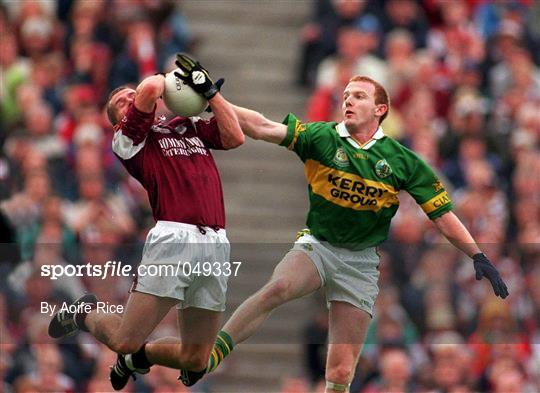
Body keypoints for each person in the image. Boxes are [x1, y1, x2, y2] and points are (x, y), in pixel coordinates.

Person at [186, 75, 509, 392]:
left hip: (361, 263)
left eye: (359, 96)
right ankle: (213, 355)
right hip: (319, 246)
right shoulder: (323, 137)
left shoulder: (402, 161)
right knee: (279, 287)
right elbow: (261, 126)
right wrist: (215, 99)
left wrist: (477, 254)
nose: (349, 101)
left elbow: (442, 215)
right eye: (346, 96)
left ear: (381, 109)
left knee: (341, 370)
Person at [47, 54, 244, 390]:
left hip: (215, 242)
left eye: (128, 94)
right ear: (117, 120)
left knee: (197, 359)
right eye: (121, 101)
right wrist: (174, 80)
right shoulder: (128, 140)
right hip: (174, 239)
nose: (129, 98)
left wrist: (210, 93)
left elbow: (234, 136)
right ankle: (85, 311)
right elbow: (152, 86)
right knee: (125, 338)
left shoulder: (187, 125)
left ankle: (139, 359)